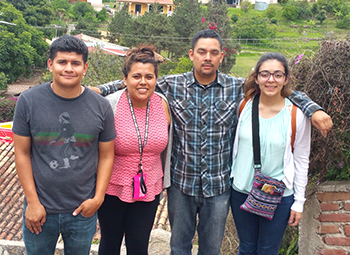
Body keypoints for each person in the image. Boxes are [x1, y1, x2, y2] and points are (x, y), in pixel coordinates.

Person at [91, 30, 332, 255]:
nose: (208, 58)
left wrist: (313, 109)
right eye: (202, 52)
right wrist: (97, 90)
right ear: (191, 55)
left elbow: (276, 87)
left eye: (214, 53)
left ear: (221, 56)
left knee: (210, 250)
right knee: (179, 248)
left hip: (218, 188)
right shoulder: (172, 85)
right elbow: (135, 82)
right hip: (181, 185)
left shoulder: (237, 88)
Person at [12, 35, 116, 255]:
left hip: (82, 211)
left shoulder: (101, 107)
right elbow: (21, 153)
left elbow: (107, 155)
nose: (69, 68)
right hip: (40, 209)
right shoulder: (28, 101)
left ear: (85, 67)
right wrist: (32, 202)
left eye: (76, 63)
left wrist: (98, 199)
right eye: (62, 62)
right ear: (51, 64)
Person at [230, 53, 311, 254]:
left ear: (285, 79)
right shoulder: (244, 106)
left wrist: (299, 202)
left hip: (279, 195)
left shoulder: (297, 115)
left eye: (277, 74)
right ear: (256, 78)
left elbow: (301, 160)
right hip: (242, 190)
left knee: (268, 250)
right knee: (246, 248)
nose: (271, 80)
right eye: (265, 74)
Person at [97, 46, 172, 255]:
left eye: (149, 76)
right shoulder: (110, 104)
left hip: (149, 187)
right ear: (125, 78)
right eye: (136, 76)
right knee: (110, 243)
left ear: (156, 79)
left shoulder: (162, 104)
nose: (143, 82)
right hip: (112, 186)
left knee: (139, 245)